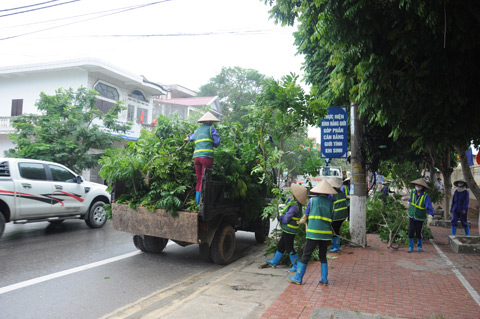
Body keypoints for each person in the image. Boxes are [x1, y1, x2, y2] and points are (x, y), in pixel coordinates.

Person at [288, 180, 336, 285]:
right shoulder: (331, 204)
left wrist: (302, 220)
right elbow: (331, 218)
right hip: (325, 235)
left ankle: (298, 277)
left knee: (306, 255)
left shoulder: (313, 201)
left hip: (313, 233)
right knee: (323, 256)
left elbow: (306, 215)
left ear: (318, 192)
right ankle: (324, 279)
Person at [266, 183, 308, 271]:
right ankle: (274, 262)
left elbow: (287, 218)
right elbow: (287, 201)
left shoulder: (294, 206)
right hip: (289, 230)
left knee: (289, 247)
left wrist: (280, 218)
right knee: (281, 245)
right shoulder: (296, 204)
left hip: (289, 230)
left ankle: (296, 265)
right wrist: (282, 196)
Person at [185, 112, 220, 204]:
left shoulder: (197, 130)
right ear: (208, 121)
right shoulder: (211, 129)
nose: (212, 122)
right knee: (205, 180)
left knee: (199, 179)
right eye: (211, 121)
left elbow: (190, 138)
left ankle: (197, 202)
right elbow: (217, 143)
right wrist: (213, 143)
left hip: (197, 158)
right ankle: (202, 202)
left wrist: (187, 138)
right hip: (206, 158)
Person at [407, 178, 434, 252]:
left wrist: (430, 215)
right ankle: (411, 246)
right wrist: (408, 204)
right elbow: (411, 200)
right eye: (417, 184)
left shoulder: (425, 196)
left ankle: (419, 246)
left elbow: (429, 207)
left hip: (420, 217)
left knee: (418, 232)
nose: (418, 186)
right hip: (412, 215)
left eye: (419, 185)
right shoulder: (412, 192)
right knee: (411, 231)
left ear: (423, 187)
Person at [327, 178, 348, 253]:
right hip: (343, 215)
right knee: (337, 230)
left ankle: (336, 246)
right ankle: (336, 245)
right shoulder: (341, 192)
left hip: (337, 215)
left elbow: (329, 204)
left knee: (334, 231)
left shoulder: (332, 194)